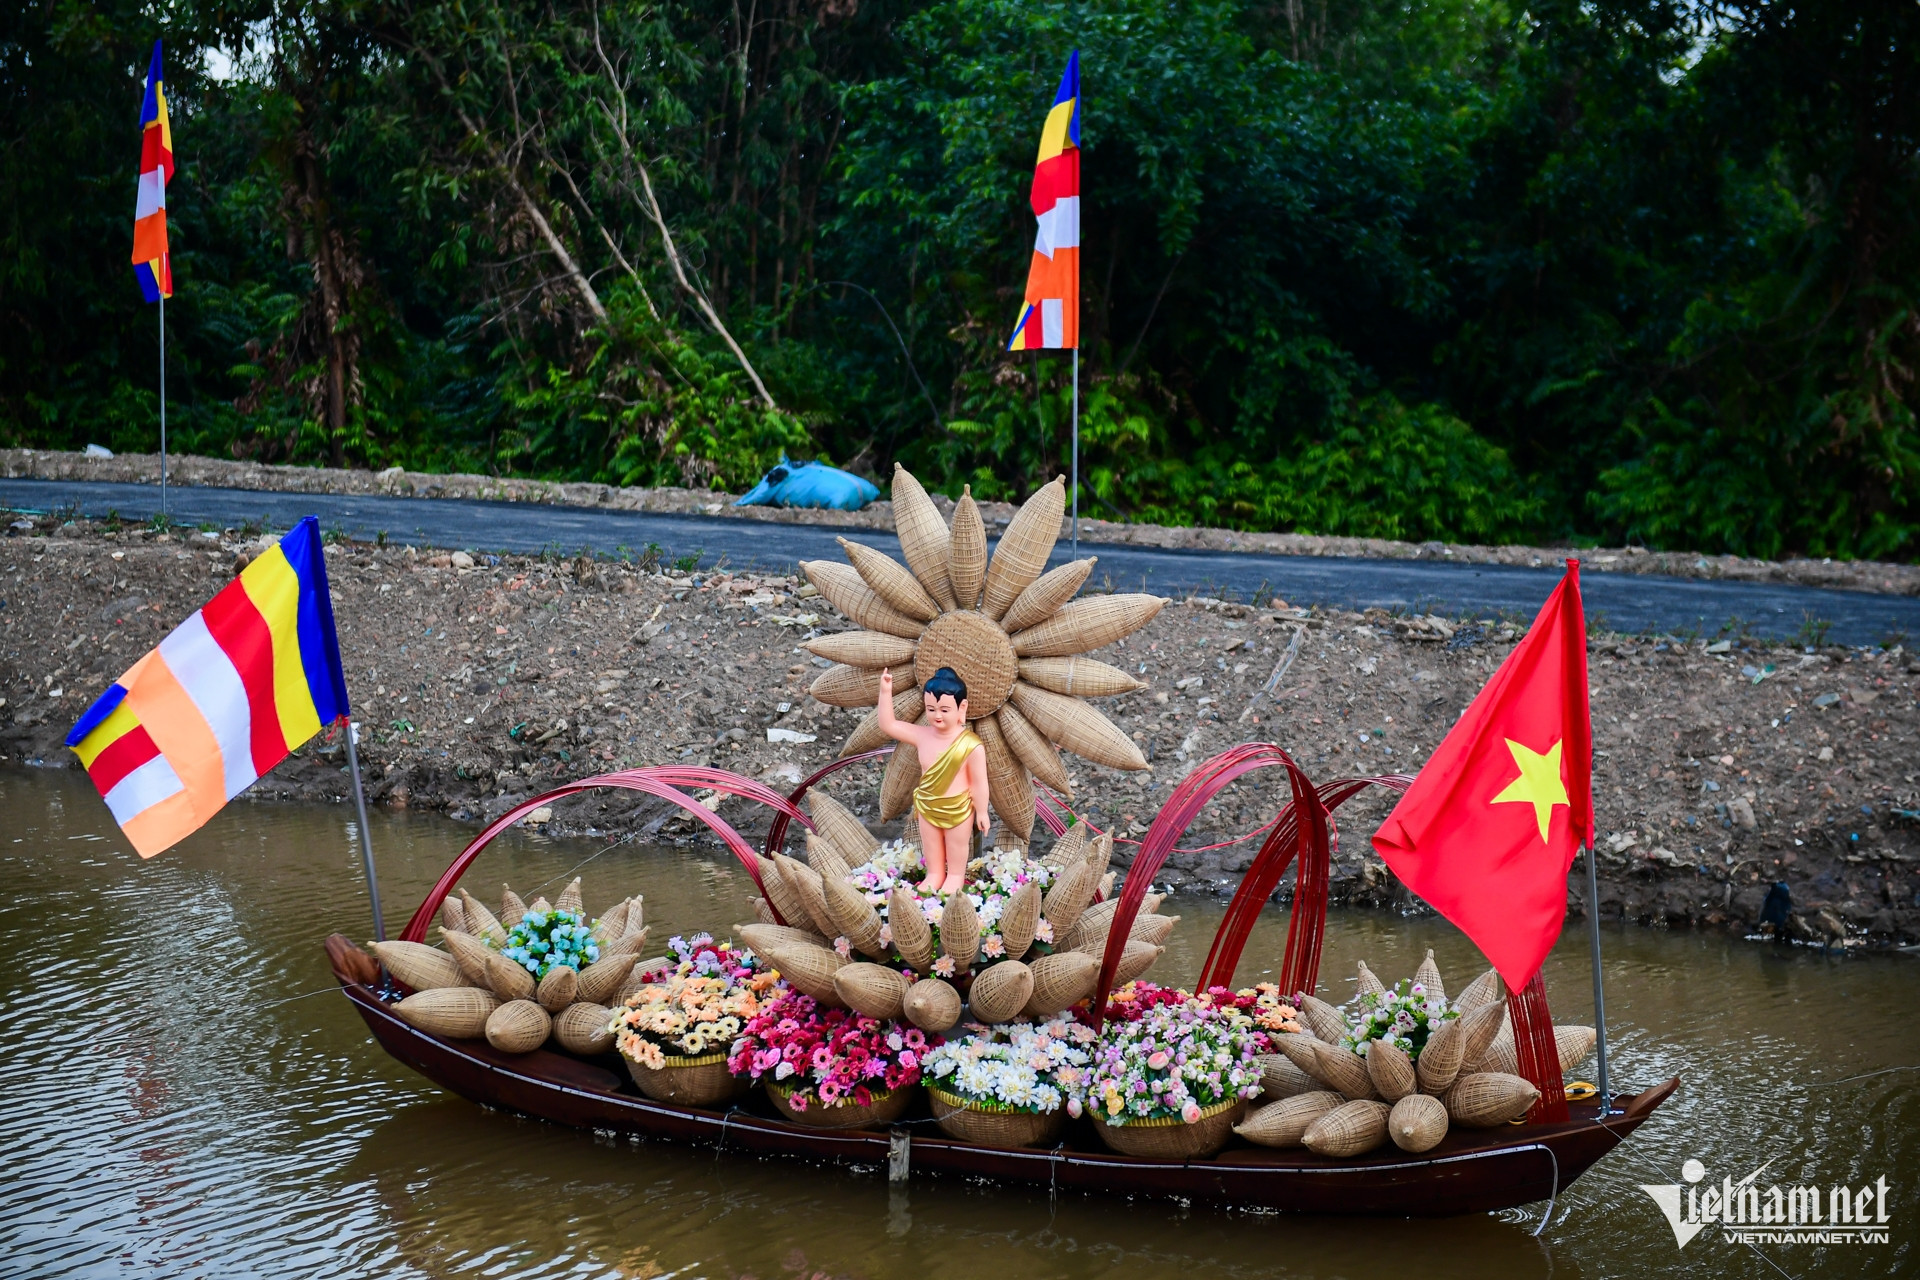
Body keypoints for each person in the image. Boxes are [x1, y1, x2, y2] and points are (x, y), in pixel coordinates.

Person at [876, 665, 989, 895]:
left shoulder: (971, 745)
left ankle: (955, 877)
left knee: (956, 848)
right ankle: (935, 874)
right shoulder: (922, 735)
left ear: (961, 708)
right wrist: (885, 691)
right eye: (931, 709)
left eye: (945, 710)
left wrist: (983, 811)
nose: (937, 715)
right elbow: (888, 725)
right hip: (928, 805)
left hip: (958, 807)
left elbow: (979, 782)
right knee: (932, 847)